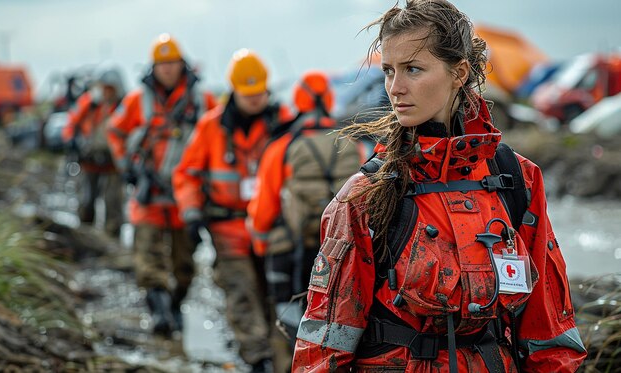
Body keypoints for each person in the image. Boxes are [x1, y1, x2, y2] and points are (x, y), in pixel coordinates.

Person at [292, 1, 587, 372]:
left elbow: (550, 331)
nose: (395, 88)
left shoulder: (517, 180)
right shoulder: (366, 195)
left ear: (459, 72)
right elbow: (324, 345)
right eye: (388, 71)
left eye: (413, 69)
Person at [172, 49, 294, 373]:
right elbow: (186, 174)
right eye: (247, 94)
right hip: (228, 228)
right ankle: (258, 358)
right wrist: (191, 213)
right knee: (241, 292)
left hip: (273, 227)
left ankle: (282, 357)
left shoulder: (284, 121)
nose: (255, 100)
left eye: (260, 93)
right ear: (234, 91)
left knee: (275, 293)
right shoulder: (211, 127)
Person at [106, 33, 215, 336]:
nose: (167, 69)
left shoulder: (202, 100)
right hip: (148, 194)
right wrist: (127, 166)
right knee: (147, 259)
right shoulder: (137, 100)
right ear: (153, 67)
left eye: (173, 63)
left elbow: (218, 139)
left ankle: (175, 304)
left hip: (186, 197)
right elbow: (114, 131)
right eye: (161, 64)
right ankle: (160, 313)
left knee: (184, 266)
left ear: (183, 64)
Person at [247, 71, 365, 348]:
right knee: (333, 326)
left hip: (288, 251)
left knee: (285, 329)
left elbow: (263, 210)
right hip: (338, 254)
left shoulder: (282, 147)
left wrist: (260, 246)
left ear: (298, 100)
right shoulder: (353, 145)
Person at [62, 65, 125, 238]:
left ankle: (112, 240)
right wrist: (71, 141)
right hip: (89, 160)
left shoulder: (124, 106)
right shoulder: (88, 103)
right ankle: (85, 236)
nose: (106, 91)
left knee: (113, 203)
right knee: (86, 201)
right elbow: (71, 122)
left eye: (110, 87)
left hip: (114, 164)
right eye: (103, 86)